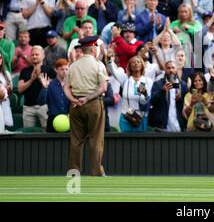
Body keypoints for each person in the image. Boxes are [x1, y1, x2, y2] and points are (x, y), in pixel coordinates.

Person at [64, 36, 108, 176]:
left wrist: (74, 100)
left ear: (82, 49)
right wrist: (87, 98)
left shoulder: (73, 65)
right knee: (96, 139)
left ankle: (73, 172)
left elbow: (66, 87)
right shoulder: (98, 64)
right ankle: (96, 172)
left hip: (76, 105)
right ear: (94, 48)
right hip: (93, 103)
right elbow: (103, 87)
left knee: (76, 140)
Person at [108, 54, 153, 132]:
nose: (136, 63)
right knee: (125, 142)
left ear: (142, 65)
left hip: (141, 118)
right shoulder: (125, 79)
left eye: (138, 62)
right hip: (126, 116)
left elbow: (146, 101)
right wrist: (108, 59)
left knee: (140, 143)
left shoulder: (148, 81)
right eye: (133, 62)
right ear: (129, 66)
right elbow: (113, 71)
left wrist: (145, 94)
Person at [18, 45, 56, 129]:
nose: (34, 56)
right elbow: (20, 89)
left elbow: (55, 89)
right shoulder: (25, 71)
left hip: (45, 107)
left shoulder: (49, 70)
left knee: (47, 133)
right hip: (28, 107)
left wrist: (44, 84)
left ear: (43, 56)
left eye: (37, 54)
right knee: (27, 136)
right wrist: (31, 80)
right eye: (32, 55)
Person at [149, 60, 188, 132]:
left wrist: (180, 99)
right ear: (165, 69)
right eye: (168, 68)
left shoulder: (183, 85)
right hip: (162, 126)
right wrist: (162, 91)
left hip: (179, 125)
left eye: (173, 68)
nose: (171, 70)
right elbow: (152, 101)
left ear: (176, 69)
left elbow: (186, 105)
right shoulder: (158, 84)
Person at [37, 58, 70, 132]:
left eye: (66, 69)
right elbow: (41, 102)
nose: (65, 72)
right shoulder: (50, 84)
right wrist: (45, 88)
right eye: (62, 69)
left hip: (67, 118)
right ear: (56, 70)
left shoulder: (71, 84)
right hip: (53, 118)